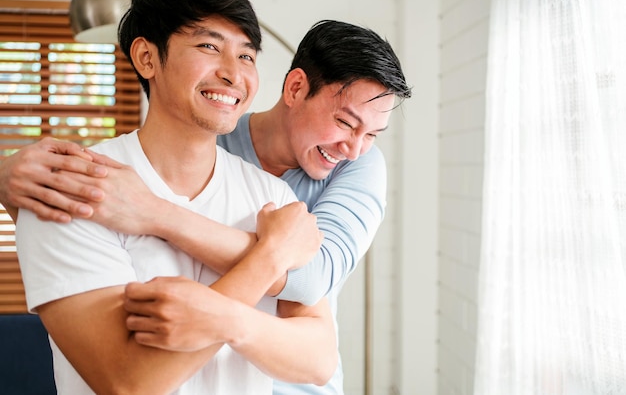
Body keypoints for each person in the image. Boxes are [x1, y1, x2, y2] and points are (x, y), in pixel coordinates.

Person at [2, 20, 412, 394]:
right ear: (295, 88)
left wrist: (155, 213)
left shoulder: (358, 166)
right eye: (345, 123)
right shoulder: (208, 139)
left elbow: (312, 279)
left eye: (372, 134)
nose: (355, 148)